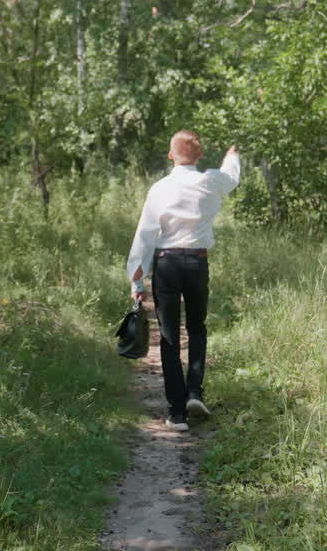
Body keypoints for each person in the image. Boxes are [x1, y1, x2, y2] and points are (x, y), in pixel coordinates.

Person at [126, 130, 240, 431]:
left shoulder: (160, 188)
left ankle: (177, 413)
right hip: (197, 262)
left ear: (169, 155)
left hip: (167, 264)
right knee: (197, 328)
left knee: (169, 336)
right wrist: (232, 156)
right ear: (200, 156)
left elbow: (145, 236)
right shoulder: (212, 180)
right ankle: (194, 392)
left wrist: (137, 281)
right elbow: (232, 177)